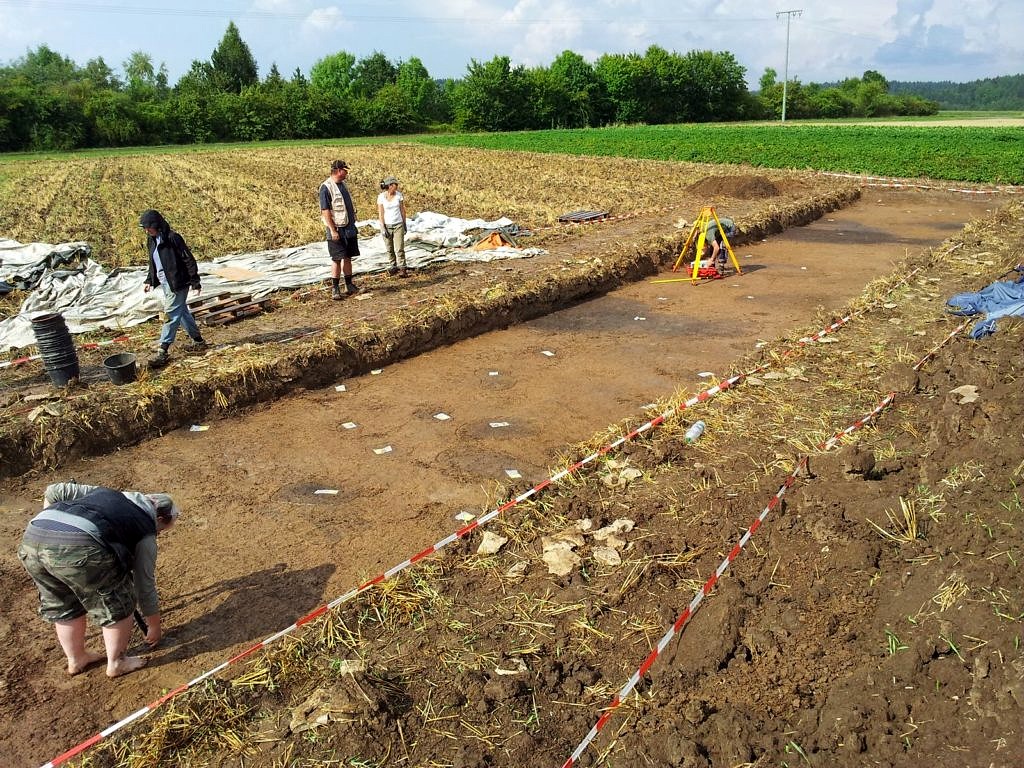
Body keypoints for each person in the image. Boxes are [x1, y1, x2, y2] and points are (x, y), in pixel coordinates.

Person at [17, 481, 180, 678]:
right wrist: (154, 625)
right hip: (80, 545)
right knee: (119, 603)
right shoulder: (146, 532)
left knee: (65, 603)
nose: (159, 534)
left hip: (33, 537)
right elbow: (143, 585)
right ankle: (117, 662)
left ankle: (76, 659)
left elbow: (53, 490)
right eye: (163, 529)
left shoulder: (109, 494)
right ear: (160, 518)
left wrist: (54, 526)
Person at [140, 209, 206, 369]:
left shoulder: (172, 238)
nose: (147, 231)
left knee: (171, 314)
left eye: (149, 227)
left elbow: (188, 259)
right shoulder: (152, 240)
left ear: (157, 225)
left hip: (178, 283)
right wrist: (150, 279)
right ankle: (199, 341)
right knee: (181, 312)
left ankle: (163, 350)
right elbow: (153, 262)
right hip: (165, 283)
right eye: (145, 228)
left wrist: (195, 281)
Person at [319, 159, 360, 300]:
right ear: (337, 171)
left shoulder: (343, 185)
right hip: (337, 229)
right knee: (336, 258)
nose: (346, 173)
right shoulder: (325, 188)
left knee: (348, 257)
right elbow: (325, 211)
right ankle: (335, 289)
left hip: (348, 227)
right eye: (345, 170)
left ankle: (349, 285)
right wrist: (333, 230)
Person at [377, 176, 409, 278]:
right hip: (387, 225)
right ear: (390, 186)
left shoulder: (399, 196)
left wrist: (404, 224)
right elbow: (381, 213)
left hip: (398, 224)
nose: (396, 187)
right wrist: (382, 226)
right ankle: (393, 266)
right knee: (389, 248)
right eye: (395, 185)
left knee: (399, 247)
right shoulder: (381, 197)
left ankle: (402, 267)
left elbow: (402, 210)